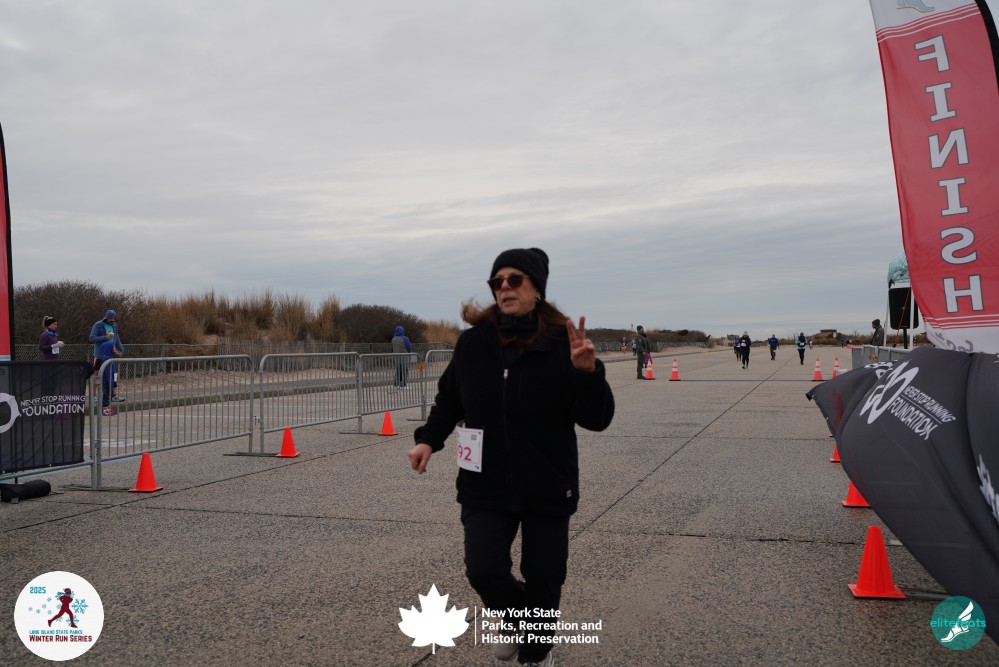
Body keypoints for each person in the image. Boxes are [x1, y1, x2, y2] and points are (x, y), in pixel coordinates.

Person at [407, 248, 615, 667]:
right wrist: (428, 439)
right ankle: (520, 623)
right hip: (485, 483)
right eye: (496, 281)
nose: (504, 287)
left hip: (548, 483)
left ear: (537, 289)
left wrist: (587, 374)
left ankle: (536, 654)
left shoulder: (561, 343)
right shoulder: (473, 343)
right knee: (483, 570)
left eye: (515, 279)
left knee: (544, 577)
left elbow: (598, 419)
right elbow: (450, 400)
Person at [90, 310, 125, 402]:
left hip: (110, 355)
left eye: (114, 318)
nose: (112, 320)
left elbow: (116, 337)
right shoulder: (98, 325)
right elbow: (92, 338)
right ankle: (93, 395)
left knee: (113, 375)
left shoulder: (114, 325)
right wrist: (106, 337)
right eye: (110, 318)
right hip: (99, 355)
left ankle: (114, 395)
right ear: (106, 318)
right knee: (96, 375)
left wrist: (121, 349)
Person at [98, 336, 122, 416]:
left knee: (108, 394)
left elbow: (113, 371)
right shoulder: (106, 359)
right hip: (107, 381)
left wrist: (114, 382)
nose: (114, 349)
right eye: (113, 347)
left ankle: (107, 407)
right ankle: (105, 409)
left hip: (110, 381)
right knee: (106, 394)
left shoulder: (111, 358)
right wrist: (111, 382)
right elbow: (108, 372)